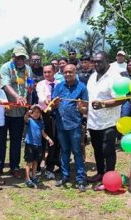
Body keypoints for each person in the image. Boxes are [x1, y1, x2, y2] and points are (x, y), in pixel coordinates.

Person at [86, 51, 125, 184]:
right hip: (93, 121)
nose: (96, 64)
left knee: (108, 150)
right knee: (97, 149)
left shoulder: (115, 77)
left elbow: (121, 99)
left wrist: (103, 104)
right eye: (94, 61)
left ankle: (109, 178)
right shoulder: (92, 77)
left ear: (107, 61)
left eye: (99, 61)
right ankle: (100, 173)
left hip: (109, 122)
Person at [51, 64, 88, 192]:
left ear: (75, 72)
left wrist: (80, 107)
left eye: (70, 72)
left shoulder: (82, 87)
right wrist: (54, 104)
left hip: (75, 125)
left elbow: (85, 109)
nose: (67, 74)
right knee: (64, 151)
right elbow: (53, 106)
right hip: (61, 125)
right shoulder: (58, 86)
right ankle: (65, 176)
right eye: (65, 72)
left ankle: (80, 179)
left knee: (77, 151)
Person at [0, 46, 33, 178]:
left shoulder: (28, 69)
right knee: (1, 141)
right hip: (5, 111)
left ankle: (14, 167)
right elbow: (5, 85)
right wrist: (17, 97)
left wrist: (29, 91)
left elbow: (29, 84)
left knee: (16, 141)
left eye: (22, 58)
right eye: (18, 57)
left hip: (19, 112)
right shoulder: (6, 67)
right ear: (13, 57)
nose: (20, 60)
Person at [36, 63, 60, 179]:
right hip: (44, 115)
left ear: (54, 71)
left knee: (53, 141)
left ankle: (50, 167)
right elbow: (41, 97)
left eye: (49, 72)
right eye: (44, 72)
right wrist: (47, 101)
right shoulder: (40, 84)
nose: (46, 74)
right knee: (41, 141)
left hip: (56, 115)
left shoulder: (60, 84)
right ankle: (38, 167)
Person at [23, 105, 54, 187]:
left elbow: (43, 133)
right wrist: (27, 113)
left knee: (36, 161)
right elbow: (25, 118)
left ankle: (34, 176)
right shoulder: (29, 120)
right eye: (34, 112)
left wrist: (49, 139)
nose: (36, 114)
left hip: (38, 145)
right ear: (31, 113)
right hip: (30, 144)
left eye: (38, 112)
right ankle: (27, 178)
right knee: (28, 162)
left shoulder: (40, 123)